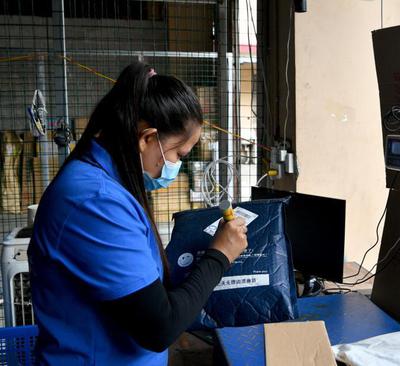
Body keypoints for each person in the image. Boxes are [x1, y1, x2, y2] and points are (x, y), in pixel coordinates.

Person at [28, 62, 248, 365]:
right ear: (147, 138)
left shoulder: (110, 184)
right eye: (178, 154)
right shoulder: (96, 201)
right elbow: (160, 327)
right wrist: (220, 254)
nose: (176, 165)